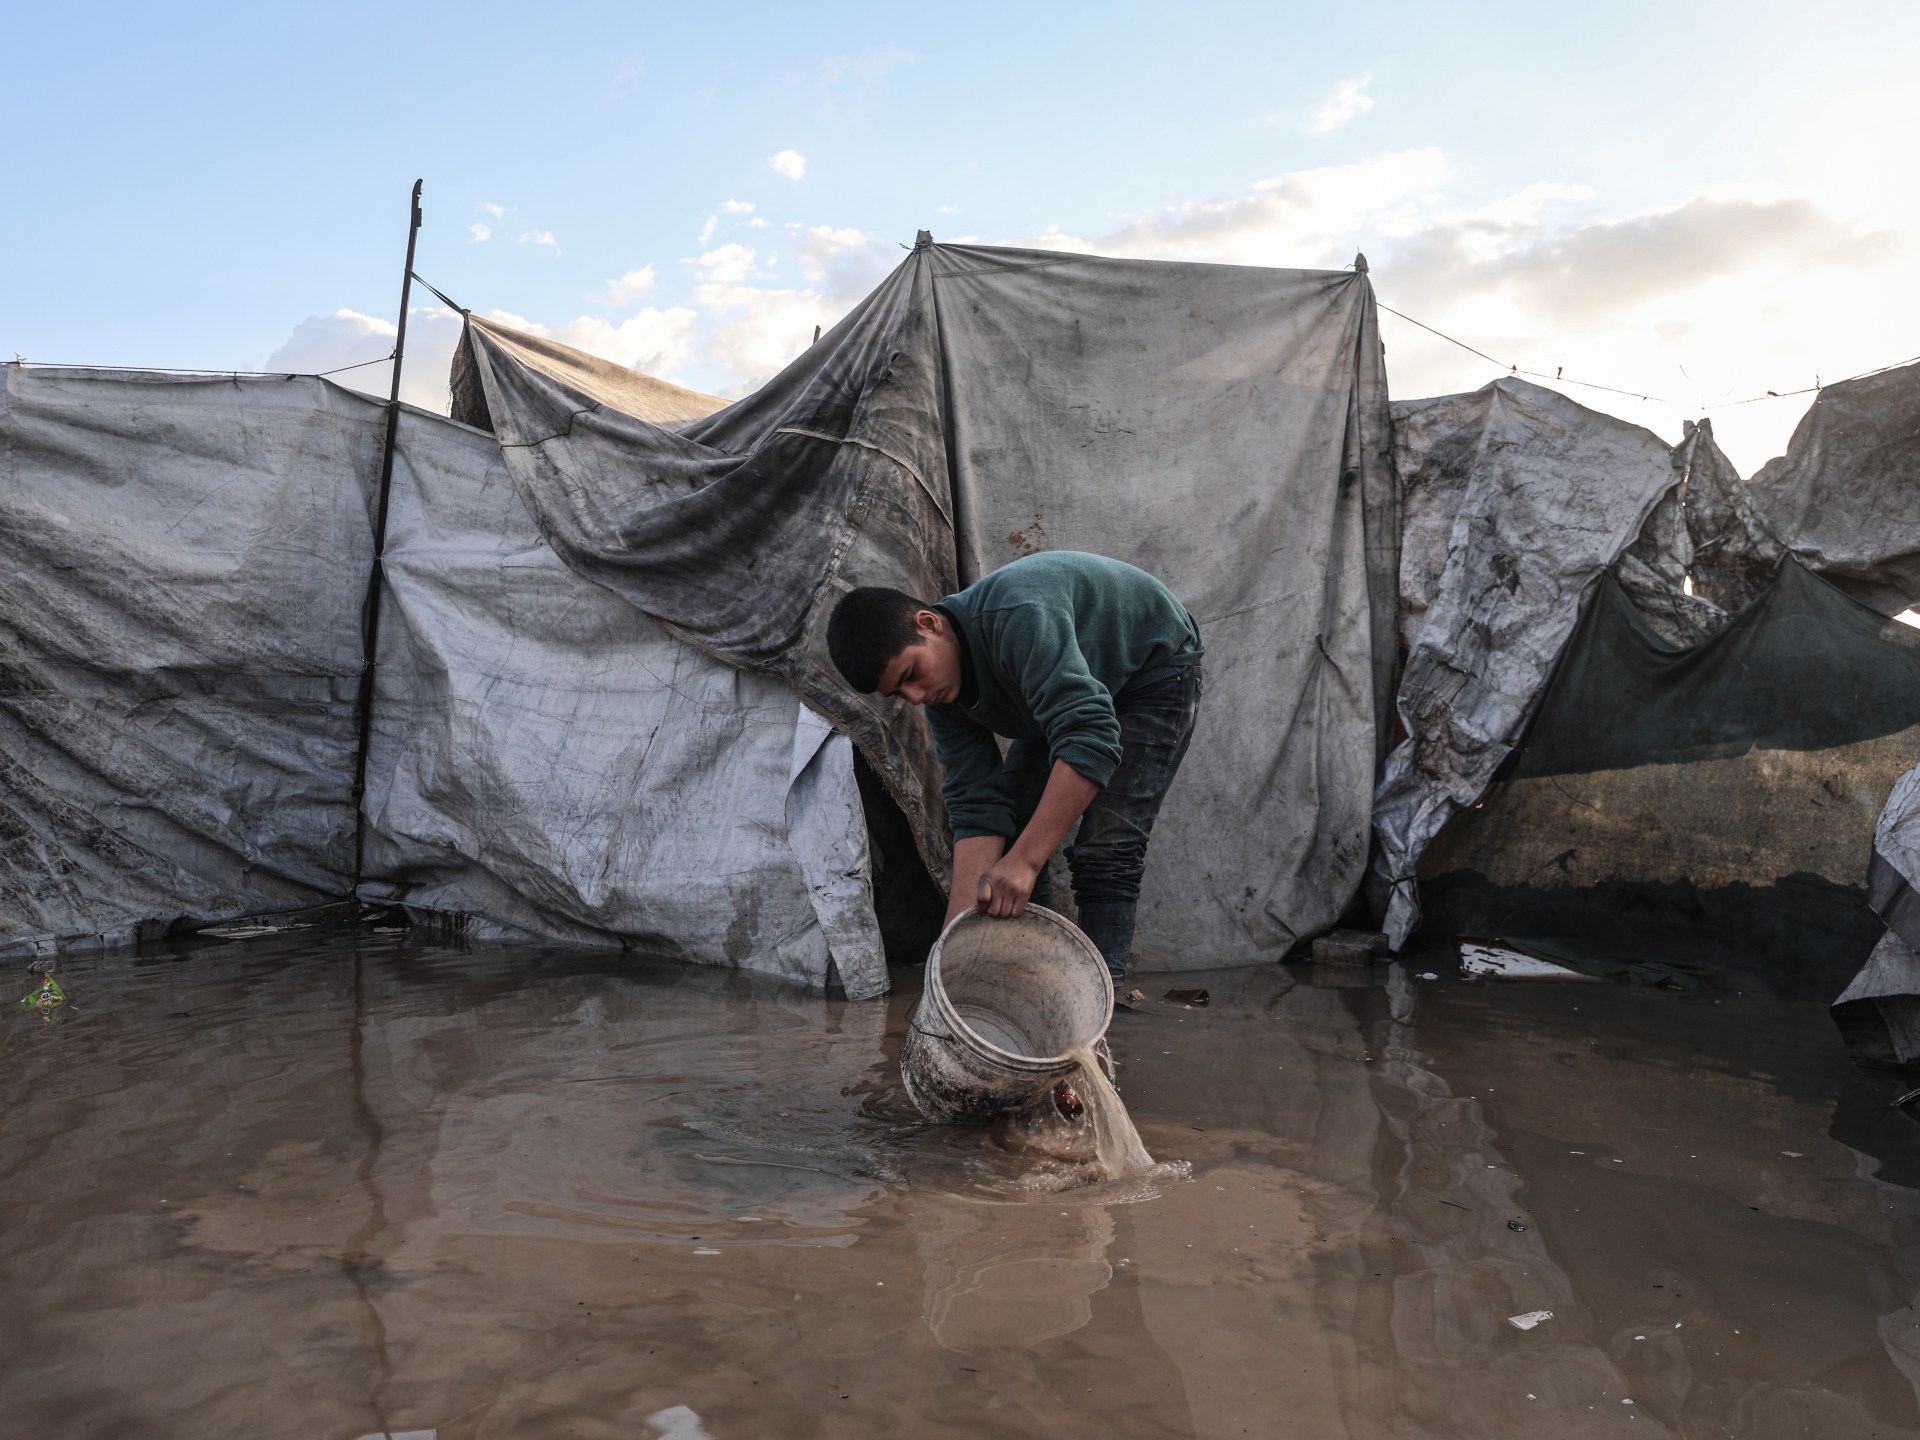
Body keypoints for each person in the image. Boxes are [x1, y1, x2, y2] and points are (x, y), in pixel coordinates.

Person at [826, 550, 1204, 984]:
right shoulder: (943, 700)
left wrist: (1025, 862)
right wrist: (947, 959)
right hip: (1069, 699)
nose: (915, 697)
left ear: (929, 624)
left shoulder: (1016, 614)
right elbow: (977, 807)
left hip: (1151, 672)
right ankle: (1043, 985)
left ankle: (1101, 999)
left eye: (911, 673)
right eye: (899, 693)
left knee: (1105, 848)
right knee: (1014, 843)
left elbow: (1090, 736)